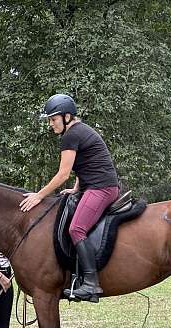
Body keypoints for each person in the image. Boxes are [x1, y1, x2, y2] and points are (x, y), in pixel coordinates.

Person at [19, 94, 119, 303]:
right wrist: (76, 189)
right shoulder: (80, 131)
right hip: (96, 186)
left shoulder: (71, 135)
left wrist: (39, 195)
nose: (50, 124)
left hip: (101, 189)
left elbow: (63, 174)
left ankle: (91, 282)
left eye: (53, 119)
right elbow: (87, 164)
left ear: (66, 117)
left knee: (76, 229)